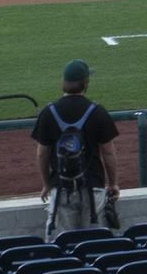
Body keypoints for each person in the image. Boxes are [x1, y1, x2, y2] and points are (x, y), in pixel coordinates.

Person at [33, 60, 122, 230]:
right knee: (94, 245)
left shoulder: (49, 112)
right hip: (93, 186)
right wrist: (113, 184)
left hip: (61, 188)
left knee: (64, 244)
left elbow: (42, 154)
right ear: (85, 83)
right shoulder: (97, 111)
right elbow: (108, 152)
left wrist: (47, 183)